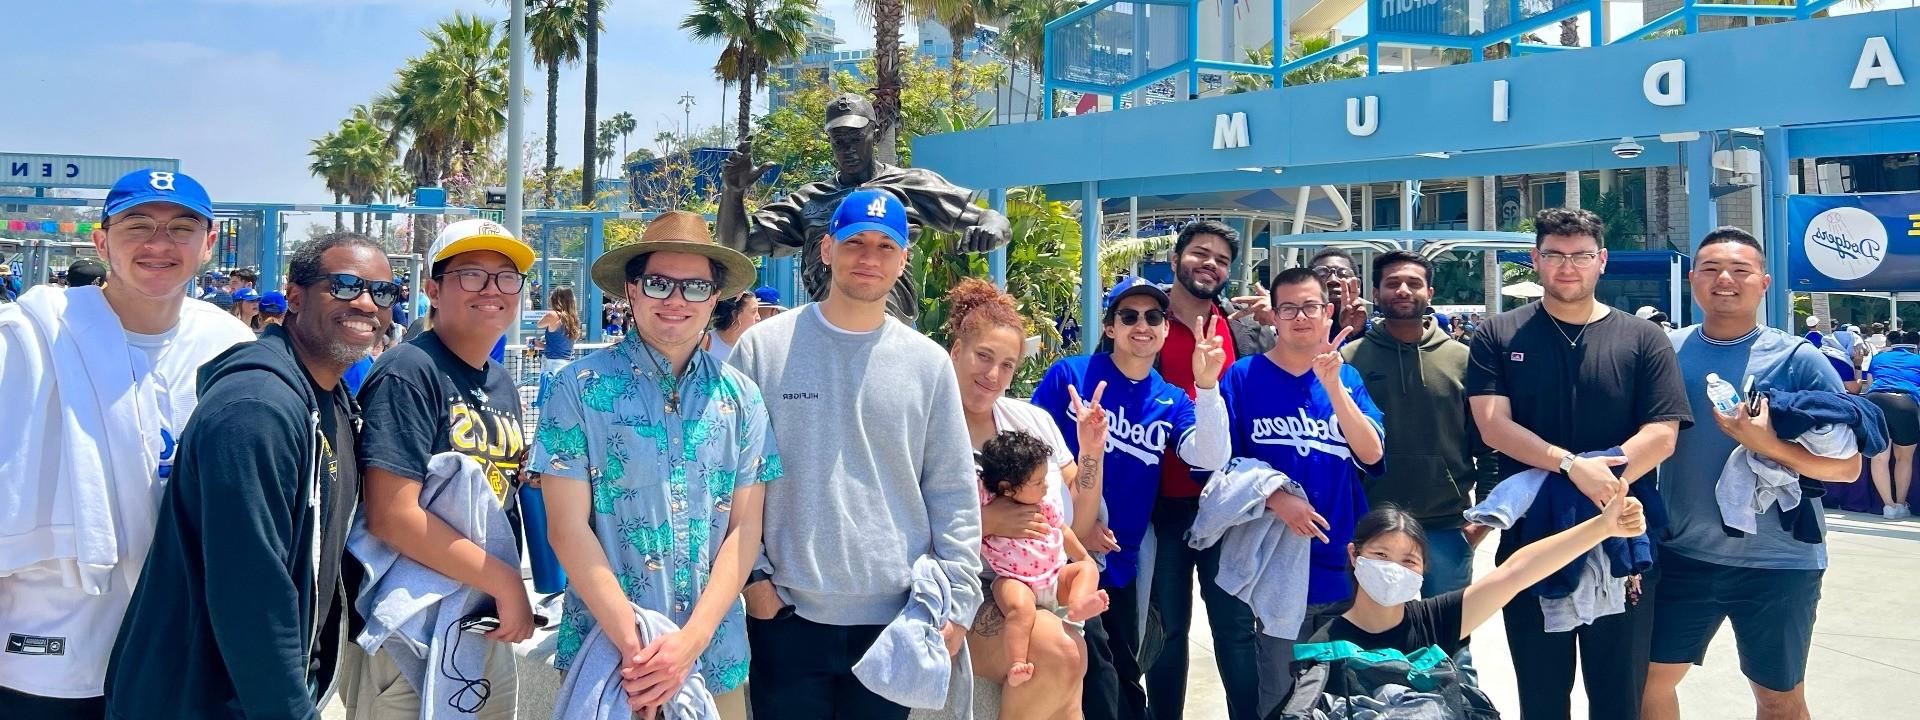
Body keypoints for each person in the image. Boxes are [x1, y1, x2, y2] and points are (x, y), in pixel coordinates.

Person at [104, 233, 395, 719]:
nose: (366, 303)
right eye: (344, 286)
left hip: (261, 691)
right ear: (295, 297)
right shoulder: (258, 407)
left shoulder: (331, 403)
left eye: (384, 292)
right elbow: (252, 592)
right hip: (202, 698)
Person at [0, 169, 254, 719]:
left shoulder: (229, 346)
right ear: (101, 239)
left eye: (181, 228)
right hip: (47, 639)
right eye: (137, 225)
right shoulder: (27, 337)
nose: (159, 244)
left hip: (177, 639)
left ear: (208, 244)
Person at [726, 189, 982, 718]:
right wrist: (754, 582)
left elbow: (952, 491)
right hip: (786, 615)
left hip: (896, 620)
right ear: (826, 250)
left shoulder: (927, 363)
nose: (870, 258)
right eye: (855, 243)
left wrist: (957, 605)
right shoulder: (763, 348)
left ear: (904, 258)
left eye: (886, 246)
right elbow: (730, 476)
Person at [531, 211, 774, 719]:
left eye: (695, 287)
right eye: (660, 283)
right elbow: (566, 528)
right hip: (612, 660)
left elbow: (745, 529)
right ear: (632, 290)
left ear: (714, 297)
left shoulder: (743, 398)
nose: (676, 301)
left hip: (713, 658)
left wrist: (686, 646)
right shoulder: (577, 389)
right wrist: (641, 650)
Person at [1466, 208, 1692, 720]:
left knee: (1619, 697)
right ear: (1535, 260)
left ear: (1602, 261)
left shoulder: (1643, 338)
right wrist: (1572, 467)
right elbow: (1493, 425)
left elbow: (1662, 435)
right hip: (1532, 536)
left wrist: (1601, 478)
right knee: (1542, 696)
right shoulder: (1498, 334)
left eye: (1581, 256)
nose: (1568, 267)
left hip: (1625, 533)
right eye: (1554, 255)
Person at [1641, 227, 1863, 720]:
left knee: (1778, 698)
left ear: (1763, 282)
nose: (1725, 279)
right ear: (1693, 280)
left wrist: (1766, 444)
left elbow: (1848, 467)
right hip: (1682, 554)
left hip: (1780, 562)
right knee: (1648, 681)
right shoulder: (1663, 352)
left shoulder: (1799, 359)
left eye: (1740, 270)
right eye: (1712, 269)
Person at [346, 219, 537, 719]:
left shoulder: (500, 383)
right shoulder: (409, 370)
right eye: (472, 275)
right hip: (411, 624)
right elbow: (392, 516)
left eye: (507, 277)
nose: (493, 290)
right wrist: (507, 582)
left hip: (478, 615)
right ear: (433, 289)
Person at [1031, 275, 1230, 720]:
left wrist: (1209, 386)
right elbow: (1031, 454)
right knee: (1060, 676)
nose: (1142, 325)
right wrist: (1076, 522)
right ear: (1110, 327)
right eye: (1129, 316)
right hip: (1053, 553)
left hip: (1119, 564)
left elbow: (1210, 456)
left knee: (1118, 680)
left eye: (1153, 316)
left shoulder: (1172, 398)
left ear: (1164, 329)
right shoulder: (1071, 375)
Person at [1221, 267, 1388, 717]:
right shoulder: (1242, 376)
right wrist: (1276, 497)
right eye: (1288, 308)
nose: (1300, 317)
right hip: (1272, 564)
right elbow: (1222, 467)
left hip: (1342, 559)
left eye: (1310, 307)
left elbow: (1372, 455)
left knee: (1346, 694)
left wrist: (1332, 384)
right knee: (1281, 696)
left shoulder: (1346, 377)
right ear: (1273, 315)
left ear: (1328, 312)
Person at [941, 277, 1098, 718]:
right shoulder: (927, 427)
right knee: (1060, 652)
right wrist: (988, 523)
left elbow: (1077, 520)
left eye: (1007, 365)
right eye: (984, 356)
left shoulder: (1031, 421)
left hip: (1043, 587)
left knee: (1072, 655)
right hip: (966, 590)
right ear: (956, 352)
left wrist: (1091, 452)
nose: (993, 374)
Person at [716, 92, 1011, 324]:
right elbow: (737, 246)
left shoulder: (911, 184)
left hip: (888, 328)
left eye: (856, 138)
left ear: (876, 131)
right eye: (838, 140)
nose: (847, 149)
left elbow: (991, 219)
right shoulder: (810, 199)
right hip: (826, 327)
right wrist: (733, 191)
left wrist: (990, 229)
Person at [1144, 219, 1270, 720]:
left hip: (1226, 504)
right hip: (1162, 506)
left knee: (1237, 630)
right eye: (1200, 253)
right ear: (1175, 261)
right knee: (1168, 631)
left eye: (1220, 259)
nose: (1210, 264)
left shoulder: (1241, 330)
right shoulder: (1142, 320)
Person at [1308, 496, 1647, 658]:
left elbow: (1517, 571)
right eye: (1381, 555)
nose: (1393, 568)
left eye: (1409, 560)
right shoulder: (1323, 646)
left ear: (1425, 569)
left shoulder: (1436, 621)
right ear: (1354, 555)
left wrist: (1604, 527)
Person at [1341, 251, 1496, 596]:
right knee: (1374, 640)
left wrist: (1480, 524)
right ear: (1377, 292)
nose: (1403, 290)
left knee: (1449, 641)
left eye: (1414, 283)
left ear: (1430, 292)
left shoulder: (1461, 359)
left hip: (1447, 527)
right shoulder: (1350, 359)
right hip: (1371, 527)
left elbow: (1489, 447)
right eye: (1392, 283)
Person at [976, 431, 1109, 689]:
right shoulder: (987, 499)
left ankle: (1078, 605)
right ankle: (1017, 662)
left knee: (1086, 570)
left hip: (1054, 577)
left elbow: (1063, 530)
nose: (1045, 486)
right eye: (1037, 482)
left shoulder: (1043, 504)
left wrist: (1083, 558)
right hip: (1014, 580)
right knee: (1019, 610)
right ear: (1007, 487)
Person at [1865, 329, 1920, 518]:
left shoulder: (1879, 358)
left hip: (1875, 400)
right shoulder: (1918, 361)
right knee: (1904, 458)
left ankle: (1888, 506)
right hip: (1905, 402)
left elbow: (1869, 383)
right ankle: (1901, 504)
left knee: (1879, 456)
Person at [1308, 247, 1370, 342]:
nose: (1333, 280)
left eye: (1343, 274)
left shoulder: (1379, 333)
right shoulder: (1294, 329)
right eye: (1322, 274)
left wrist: (1356, 334)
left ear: (1357, 285)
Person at [536, 286, 582, 376]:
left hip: (552, 367)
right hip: (568, 365)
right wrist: (542, 346)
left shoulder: (553, 315)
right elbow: (561, 348)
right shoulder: (574, 320)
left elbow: (539, 324)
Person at [704, 290, 759, 364]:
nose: (758, 318)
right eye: (753, 312)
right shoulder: (705, 342)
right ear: (735, 315)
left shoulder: (754, 348)